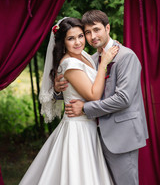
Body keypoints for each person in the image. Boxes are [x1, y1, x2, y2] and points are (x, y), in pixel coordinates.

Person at [19, 17, 119, 185]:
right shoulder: (70, 63)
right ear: (63, 42)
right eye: (71, 39)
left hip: (89, 126)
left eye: (80, 36)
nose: (78, 42)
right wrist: (104, 65)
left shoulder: (84, 55)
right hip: (78, 129)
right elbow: (93, 95)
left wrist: (58, 90)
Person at [55, 10, 149, 185]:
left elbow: (123, 99)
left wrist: (84, 108)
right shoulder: (91, 59)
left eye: (97, 30)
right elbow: (81, 89)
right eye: (88, 32)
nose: (92, 36)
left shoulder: (126, 56)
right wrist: (58, 90)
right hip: (95, 136)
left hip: (121, 135)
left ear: (107, 28)